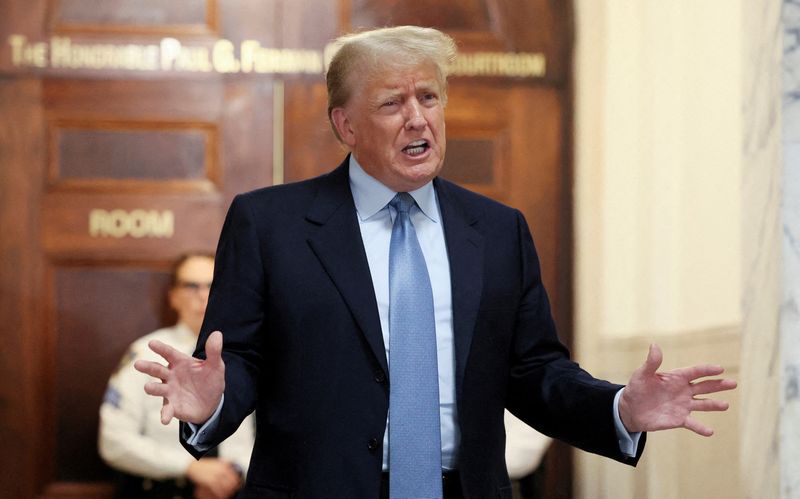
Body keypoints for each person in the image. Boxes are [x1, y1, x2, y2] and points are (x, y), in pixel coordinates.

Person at [134, 26, 736, 499]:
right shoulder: (270, 224)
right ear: (345, 125)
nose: (418, 118)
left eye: (429, 97)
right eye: (393, 102)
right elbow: (240, 359)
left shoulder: (498, 231)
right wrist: (214, 400)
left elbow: (533, 371)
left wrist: (616, 409)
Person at [99, 253, 255, 499]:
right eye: (192, 286)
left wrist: (234, 473)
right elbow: (113, 441)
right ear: (173, 296)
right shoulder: (146, 352)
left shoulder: (247, 356)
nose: (203, 296)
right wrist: (190, 468)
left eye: (212, 286)